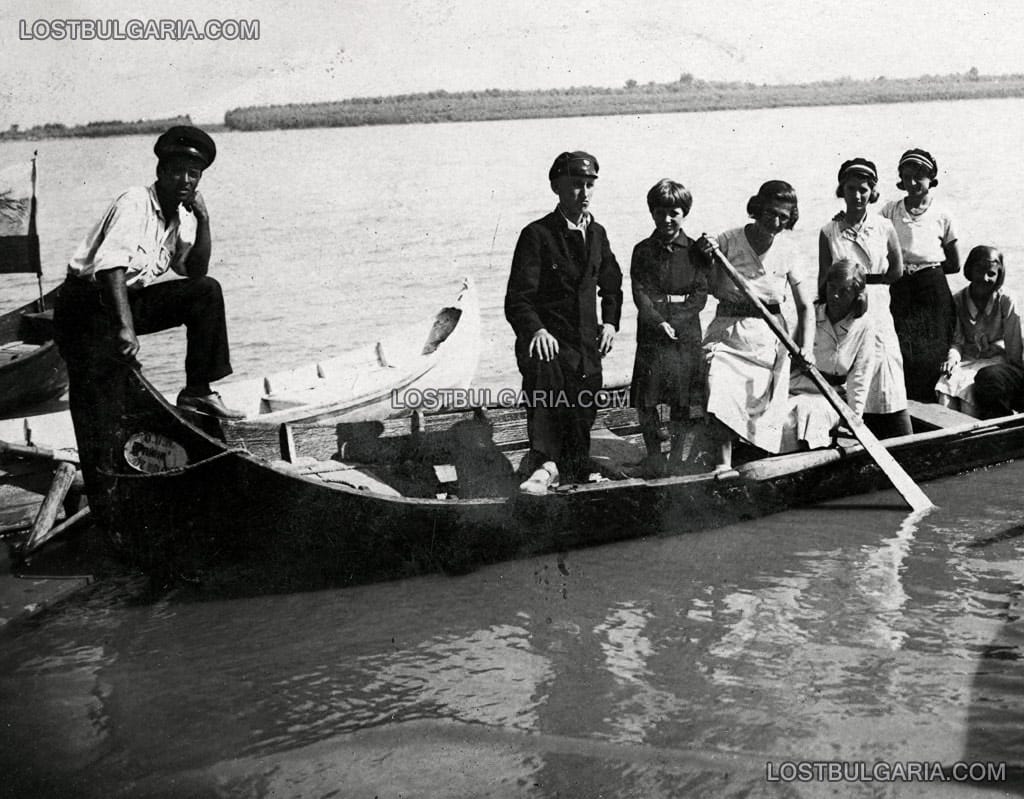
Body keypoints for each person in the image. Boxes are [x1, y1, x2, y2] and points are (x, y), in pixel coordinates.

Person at [53, 125, 242, 514]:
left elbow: (194, 270)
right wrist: (125, 328)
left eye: (194, 175)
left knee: (206, 291)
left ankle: (197, 390)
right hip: (84, 307)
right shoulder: (135, 202)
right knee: (101, 397)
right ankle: (105, 486)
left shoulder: (182, 216)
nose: (185, 181)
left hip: (123, 299)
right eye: (177, 172)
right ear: (160, 172)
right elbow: (111, 268)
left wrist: (204, 220)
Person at [504, 150, 623, 494]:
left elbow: (612, 285)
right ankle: (544, 465)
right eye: (575, 185)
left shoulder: (598, 233)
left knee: (582, 418)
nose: (583, 193)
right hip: (549, 347)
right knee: (547, 399)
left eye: (589, 185)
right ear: (557, 187)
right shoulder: (537, 235)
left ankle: (572, 471)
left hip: (586, 347)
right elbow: (518, 300)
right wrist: (537, 330)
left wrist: (611, 324)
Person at [701, 180, 815, 470]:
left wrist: (807, 348)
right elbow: (711, 286)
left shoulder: (789, 250)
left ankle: (755, 454)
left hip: (769, 336)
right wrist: (707, 255)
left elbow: (805, 308)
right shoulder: (727, 241)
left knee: (757, 402)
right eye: (770, 214)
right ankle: (722, 465)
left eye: (784, 218)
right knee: (718, 382)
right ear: (758, 209)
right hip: (728, 332)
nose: (775, 222)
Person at [819, 158, 911, 438]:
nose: (857, 195)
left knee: (886, 372)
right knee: (853, 371)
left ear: (872, 192)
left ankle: (903, 438)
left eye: (863, 189)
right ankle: (854, 433)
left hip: (878, 303)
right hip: (844, 307)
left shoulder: (884, 226)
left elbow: (896, 271)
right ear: (841, 190)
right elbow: (824, 279)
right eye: (850, 188)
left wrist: (870, 286)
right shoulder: (828, 231)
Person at [628, 179, 711, 473]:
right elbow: (640, 292)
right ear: (652, 212)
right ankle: (654, 455)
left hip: (686, 330)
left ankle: (676, 458)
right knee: (647, 397)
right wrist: (659, 321)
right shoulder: (642, 250)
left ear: (684, 213)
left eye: (673, 213)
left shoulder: (696, 251)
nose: (666, 219)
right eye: (660, 212)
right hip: (652, 329)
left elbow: (701, 293)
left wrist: (677, 321)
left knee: (682, 398)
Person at [882, 148, 960, 401]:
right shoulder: (890, 211)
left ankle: (931, 405)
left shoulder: (943, 214)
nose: (913, 183)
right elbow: (869, 235)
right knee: (902, 346)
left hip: (932, 287)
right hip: (900, 285)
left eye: (919, 176)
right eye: (907, 177)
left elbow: (954, 264)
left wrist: (927, 271)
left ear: (932, 178)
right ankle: (904, 407)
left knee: (933, 349)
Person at [784, 259, 885, 450]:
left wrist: (853, 420)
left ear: (857, 295)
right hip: (798, 387)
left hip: (832, 397)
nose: (835, 296)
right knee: (781, 419)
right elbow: (789, 360)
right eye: (832, 288)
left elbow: (860, 376)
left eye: (844, 291)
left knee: (809, 413)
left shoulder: (864, 326)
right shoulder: (812, 314)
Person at [937, 246, 1024, 418]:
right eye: (979, 271)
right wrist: (952, 359)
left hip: (996, 360)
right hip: (967, 360)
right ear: (969, 269)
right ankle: (947, 440)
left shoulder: (1006, 300)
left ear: (999, 276)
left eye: (991, 274)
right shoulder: (958, 300)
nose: (984, 278)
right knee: (945, 395)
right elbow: (957, 342)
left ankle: (972, 440)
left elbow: (1015, 343)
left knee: (968, 398)